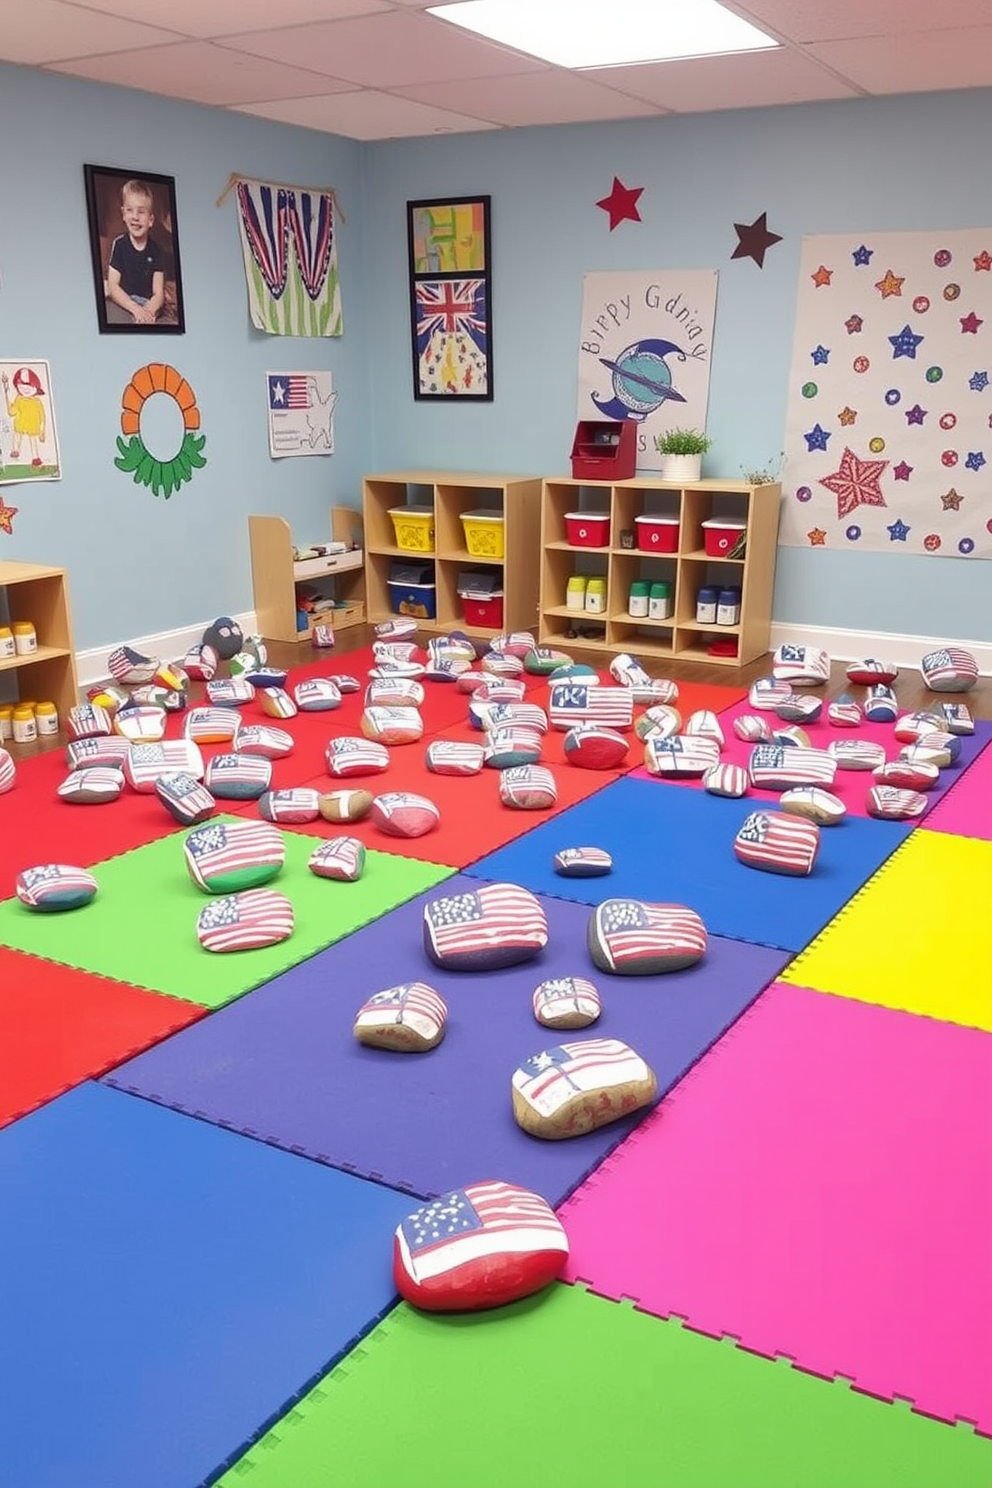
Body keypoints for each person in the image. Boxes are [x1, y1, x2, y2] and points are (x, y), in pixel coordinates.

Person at [105, 179, 166, 326]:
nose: (135, 217)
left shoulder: (157, 250)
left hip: (147, 302)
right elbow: (113, 287)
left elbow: (158, 293)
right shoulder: (119, 244)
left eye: (141, 211)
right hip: (124, 300)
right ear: (123, 214)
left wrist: (148, 310)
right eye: (130, 210)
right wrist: (135, 309)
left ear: (150, 220)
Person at [1, 366, 47, 467]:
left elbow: (42, 416)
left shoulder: (37, 402)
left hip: (32, 425)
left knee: (33, 440)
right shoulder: (19, 399)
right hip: (20, 423)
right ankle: (15, 450)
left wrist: (42, 430)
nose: (25, 389)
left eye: (29, 386)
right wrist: (6, 390)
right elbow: (12, 411)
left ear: (35, 387)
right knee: (17, 435)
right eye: (21, 386)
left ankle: (36, 458)